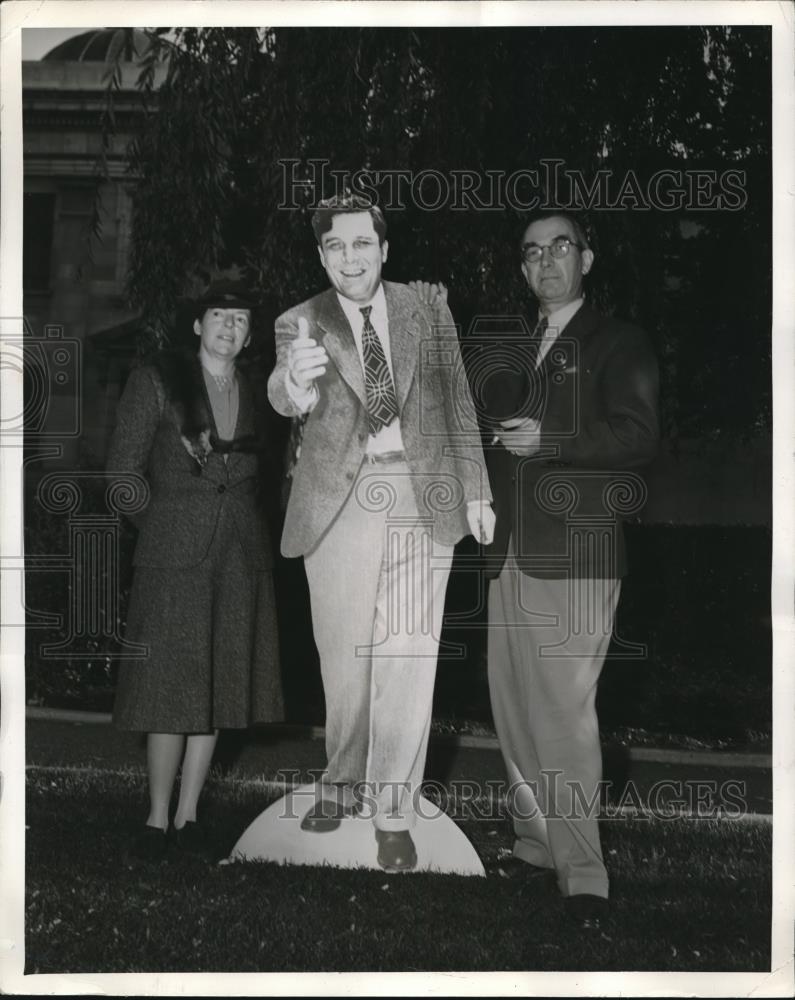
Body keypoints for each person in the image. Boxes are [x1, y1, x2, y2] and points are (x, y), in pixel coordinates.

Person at [267, 194, 494, 872]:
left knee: (407, 656)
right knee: (345, 660)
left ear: (383, 249)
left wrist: (477, 488)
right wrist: (295, 388)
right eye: (334, 247)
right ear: (321, 255)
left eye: (361, 244)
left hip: (421, 496)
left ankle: (393, 810)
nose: (349, 258)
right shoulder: (299, 320)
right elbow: (284, 394)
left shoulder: (427, 308)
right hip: (340, 504)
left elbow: (458, 401)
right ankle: (338, 782)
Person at [483, 211, 659, 924]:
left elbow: (636, 435)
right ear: (523, 270)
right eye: (531, 253)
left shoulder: (620, 341)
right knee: (515, 708)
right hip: (508, 552)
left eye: (560, 247)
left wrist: (549, 439)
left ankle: (583, 875)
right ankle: (534, 843)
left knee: (562, 714)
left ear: (586, 259)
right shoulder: (510, 348)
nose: (545, 262)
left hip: (577, 554)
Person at [108, 279, 283, 861]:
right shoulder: (157, 380)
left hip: (240, 556)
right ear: (196, 324)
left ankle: (189, 817)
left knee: (217, 686)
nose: (229, 328)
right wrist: (161, 528)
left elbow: (269, 476)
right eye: (218, 316)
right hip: (172, 557)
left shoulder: (261, 391)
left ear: (250, 333)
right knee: (168, 690)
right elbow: (123, 477)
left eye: (240, 320)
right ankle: (155, 818)